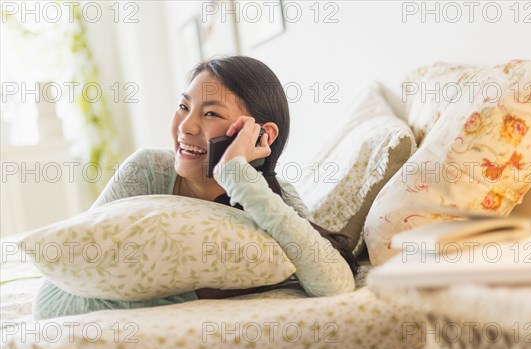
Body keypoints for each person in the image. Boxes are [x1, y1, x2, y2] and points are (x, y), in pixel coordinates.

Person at [33, 55, 358, 320]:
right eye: (183, 106)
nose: (186, 127)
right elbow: (52, 302)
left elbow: (336, 285)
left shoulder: (269, 197)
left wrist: (237, 177)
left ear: (262, 136)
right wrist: (196, 295)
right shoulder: (147, 172)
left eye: (211, 113)